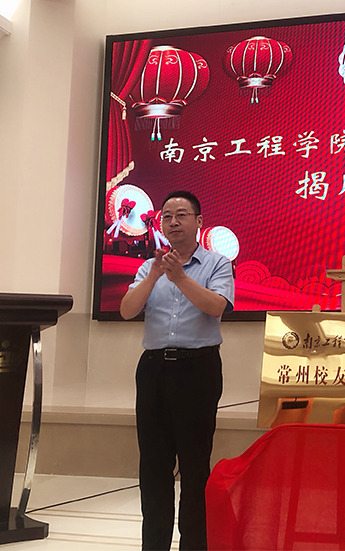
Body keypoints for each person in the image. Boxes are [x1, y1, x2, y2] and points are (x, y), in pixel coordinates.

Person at [120, 190, 234, 551]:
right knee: (153, 466)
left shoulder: (217, 264)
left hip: (197, 370)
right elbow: (127, 310)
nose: (173, 222)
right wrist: (154, 275)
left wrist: (181, 277)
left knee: (195, 465)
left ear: (198, 221)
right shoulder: (149, 266)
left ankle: (194, 545)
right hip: (153, 370)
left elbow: (216, 307)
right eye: (167, 216)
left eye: (181, 215)